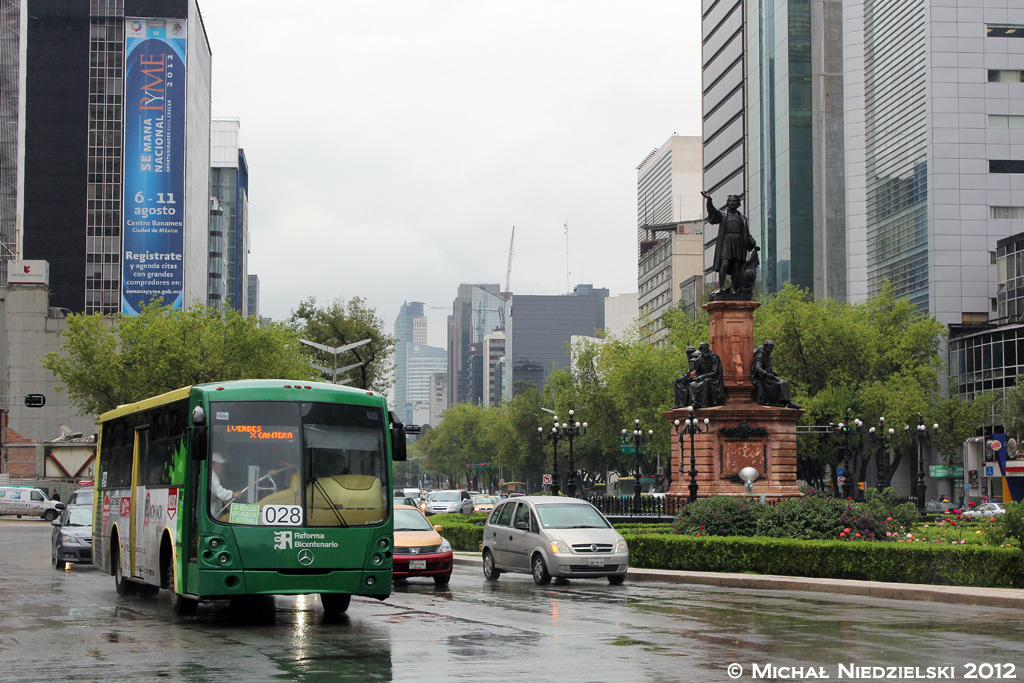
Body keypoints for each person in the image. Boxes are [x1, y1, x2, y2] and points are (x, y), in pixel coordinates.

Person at [703, 191, 756, 295]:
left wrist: (753, 244)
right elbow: (712, 212)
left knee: (737, 267)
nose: (732, 203)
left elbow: (747, 233)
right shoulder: (723, 215)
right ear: (728, 203)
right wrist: (709, 200)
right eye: (730, 201)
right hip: (726, 242)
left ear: (738, 204)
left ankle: (733, 288)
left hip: (738, 243)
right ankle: (721, 288)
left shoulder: (742, 218)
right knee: (724, 264)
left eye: (734, 201)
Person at [751, 340, 800, 409]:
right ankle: (785, 401)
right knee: (780, 384)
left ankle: (789, 402)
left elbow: (768, 367)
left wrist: (773, 372)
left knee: (784, 382)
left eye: (771, 349)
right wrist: (766, 373)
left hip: (768, 376)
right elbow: (757, 367)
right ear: (765, 347)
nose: (770, 350)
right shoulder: (760, 355)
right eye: (768, 348)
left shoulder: (769, 356)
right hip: (762, 377)